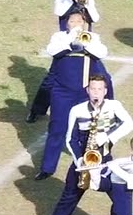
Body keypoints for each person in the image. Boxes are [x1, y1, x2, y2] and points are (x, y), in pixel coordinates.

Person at [37, 75, 133, 215]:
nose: (96, 92)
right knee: (67, 201)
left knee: (122, 201)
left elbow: (129, 124)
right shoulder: (77, 110)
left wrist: (108, 136)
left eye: (99, 89)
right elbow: (70, 139)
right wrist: (80, 161)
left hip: (105, 162)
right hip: (83, 161)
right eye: (93, 89)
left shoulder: (113, 106)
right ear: (87, 90)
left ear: (105, 91)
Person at [34, 13, 113, 179]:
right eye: (72, 21)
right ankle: (47, 168)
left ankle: (93, 164)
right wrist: (71, 37)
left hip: (84, 92)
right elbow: (53, 51)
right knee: (57, 129)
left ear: (84, 23)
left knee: (90, 129)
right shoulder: (59, 37)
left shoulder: (93, 37)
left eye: (79, 21)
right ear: (67, 24)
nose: (76, 24)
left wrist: (85, 42)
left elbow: (101, 53)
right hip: (63, 92)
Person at [28, 0, 103, 124]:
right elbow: (60, 11)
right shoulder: (62, 1)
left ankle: (106, 110)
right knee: (50, 82)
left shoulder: (89, 1)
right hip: (66, 49)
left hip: (86, 50)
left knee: (105, 79)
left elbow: (95, 18)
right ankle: (37, 110)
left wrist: (86, 2)